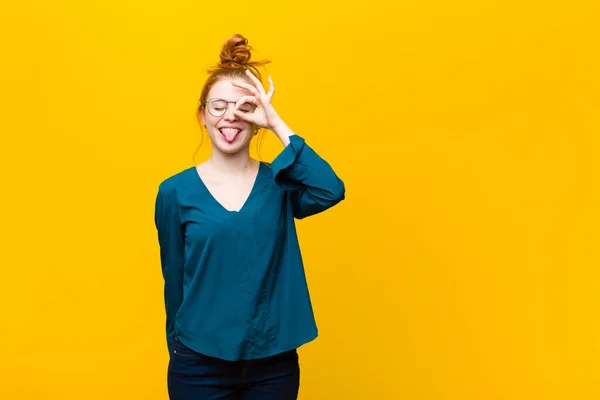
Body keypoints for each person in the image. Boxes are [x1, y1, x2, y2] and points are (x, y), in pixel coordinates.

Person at [154, 33, 345, 400]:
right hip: (197, 363)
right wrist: (176, 349)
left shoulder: (280, 183)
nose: (230, 116)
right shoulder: (174, 193)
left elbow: (330, 190)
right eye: (218, 106)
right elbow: (174, 279)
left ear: (255, 118)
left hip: (272, 365)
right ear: (202, 116)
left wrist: (277, 123)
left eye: (243, 107)